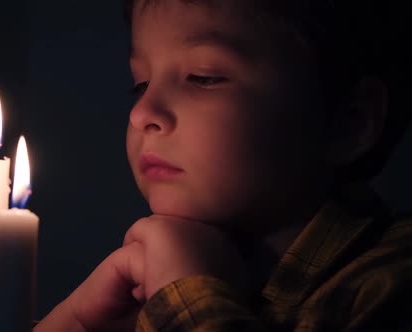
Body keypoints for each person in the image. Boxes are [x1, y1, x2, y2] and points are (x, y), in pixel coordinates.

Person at [34, 0, 412, 330]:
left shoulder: (388, 286)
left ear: (350, 120)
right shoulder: (132, 290)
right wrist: (76, 321)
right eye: (141, 83)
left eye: (203, 78)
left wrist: (184, 291)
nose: (142, 112)